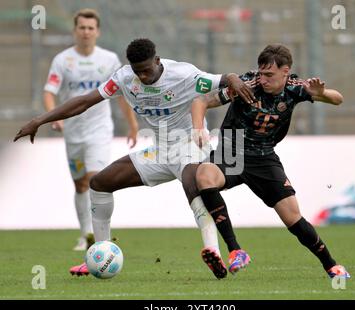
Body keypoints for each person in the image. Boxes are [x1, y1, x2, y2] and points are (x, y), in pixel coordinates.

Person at [14, 38, 255, 279]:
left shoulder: (184, 74)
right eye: (137, 71)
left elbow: (225, 79)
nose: (143, 77)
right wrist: (39, 120)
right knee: (99, 183)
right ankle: (100, 252)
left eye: (147, 70)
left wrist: (234, 78)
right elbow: (85, 101)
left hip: (190, 146)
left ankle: (213, 251)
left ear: (158, 61)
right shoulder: (124, 78)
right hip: (160, 151)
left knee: (194, 186)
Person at [190, 44, 350, 279]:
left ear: (286, 72)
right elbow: (200, 102)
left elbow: (338, 99)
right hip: (231, 150)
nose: (262, 79)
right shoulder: (246, 85)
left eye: (269, 75)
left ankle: (332, 266)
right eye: (261, 73)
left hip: (264, 157)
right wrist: (198, 130)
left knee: (292, 217)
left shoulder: (296, 88)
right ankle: (235, 250)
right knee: (204, 175)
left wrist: (321, 93)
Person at [43, 9, 139, 251]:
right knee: (80, 185)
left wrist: (133, 124)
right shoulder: (62, 60)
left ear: (97, 32)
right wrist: (55, 118)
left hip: (99, 130)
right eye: (82, 28)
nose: (86, 32)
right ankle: (84, 232)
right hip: (73, 133)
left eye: (90, 28)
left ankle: (96, 235)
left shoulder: (108, 60)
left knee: (95, 178)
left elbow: (121, 94)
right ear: (75, 31)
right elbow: (49, 92)